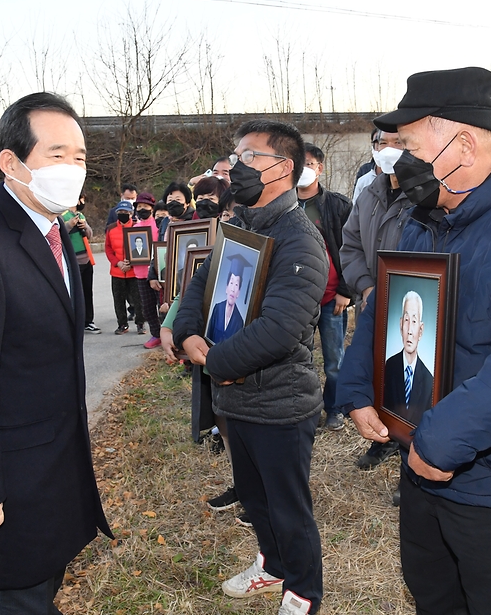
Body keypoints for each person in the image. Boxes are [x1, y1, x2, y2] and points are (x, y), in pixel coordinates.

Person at [336, 67, 491, 615]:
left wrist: (436, 441)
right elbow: (386, 302)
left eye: (408, 144)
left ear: (464, 144)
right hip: (426, 462)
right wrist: (357, 388)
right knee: (433, 593)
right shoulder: (423, 221)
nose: (397, 160)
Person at [0, 92, 112, 615]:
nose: (73, 169)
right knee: (20, 600)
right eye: (57, 155)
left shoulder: (55, 234)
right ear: (12, 162)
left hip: (54, 464)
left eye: (79, 157)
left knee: (43, 587)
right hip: (9, 478)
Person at [174, 119, 328, 615]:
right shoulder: (240, 224)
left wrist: (213, 360)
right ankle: (272, 565)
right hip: (236, 397)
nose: (235, 167)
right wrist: (185, 331)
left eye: (248, 157)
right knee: (256, 501)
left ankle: (302, 592)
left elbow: (281, 328)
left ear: (282, 168)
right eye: (235, 156)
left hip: (279, 401)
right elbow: (202, 285)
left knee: (288, 509)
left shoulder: (301, 240)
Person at [339, 127, 409, 470]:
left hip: (411, 307)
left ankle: (410, 455)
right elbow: (350, 246)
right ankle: (383, 439)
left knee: (411, 381)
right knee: (376, 374)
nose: (390, 150)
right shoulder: (368, 195)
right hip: (372, 305)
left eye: (399, 143)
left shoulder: (425, 197)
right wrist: (366, 287)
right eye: (383, 143)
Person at [297, 143, 353, 431]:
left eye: (308, 163)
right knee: (299, 360)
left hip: (333, 298)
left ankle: (334, 409)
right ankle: (306, 409)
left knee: (334, 361)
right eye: (298, 162)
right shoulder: (283, 205)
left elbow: (351, 249)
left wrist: (346, 289)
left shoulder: (337, 205)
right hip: (297, 299)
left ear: (319, 168)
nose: (303, 169)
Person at [383, 291, 433, 426]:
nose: (410, 330)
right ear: (400, 325)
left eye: (414, 321)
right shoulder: (389, 366)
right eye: (406, 320)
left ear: (421, 330)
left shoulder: (429, 380)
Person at [62, 193, 100, 334]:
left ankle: (88, 321)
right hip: (73, 261)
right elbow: (60, 233)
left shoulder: (81, 216)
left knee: (87, 291)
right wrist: (69, 225)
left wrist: (84, 227)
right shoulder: (62, 215)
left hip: (87, 259)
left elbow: (89, 234)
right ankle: (76, 321)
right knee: (75, 293)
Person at [105, 199, 144, 335]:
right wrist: (118, 263)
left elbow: (142, 248)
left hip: (134, 271)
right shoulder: (111, 229)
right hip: (117, 271)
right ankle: (122, 324)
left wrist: (131, 263)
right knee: (118, 299)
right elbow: (108, 249)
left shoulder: (137, 228)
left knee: (138, 299)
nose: (123, 214)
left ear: (131, 213)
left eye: (126, 212)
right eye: (120, 212)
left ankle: (140, 324)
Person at [131, 192, 161, 347]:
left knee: (162, 306)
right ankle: (156, 335)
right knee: (147, 308)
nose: (142, 209)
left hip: (157, 273)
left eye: (145, 206)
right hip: (140, 274)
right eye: (139, 206)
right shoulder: (134, 228)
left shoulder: (159, 226)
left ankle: (168, 335)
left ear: (152, 208)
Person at [205, 256, 248, 344]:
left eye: (236, 284)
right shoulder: (217, 308)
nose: (233, 289)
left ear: (239, 292)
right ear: (226, 287)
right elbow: (208, 335)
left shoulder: (239, 321)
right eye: (231, 283)